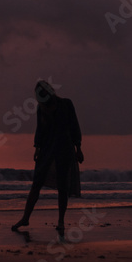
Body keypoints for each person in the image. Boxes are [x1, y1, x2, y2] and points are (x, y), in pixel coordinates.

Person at [11, 80, 83, 237]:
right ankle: (25, 218)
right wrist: (37, 148)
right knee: (36, 183)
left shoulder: (66, 104)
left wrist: (78, 148)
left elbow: (74, 126)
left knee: (63, 186)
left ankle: (61, 221)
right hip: (47, 149)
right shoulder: (41, 109)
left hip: (64, 148)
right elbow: (40, 130)